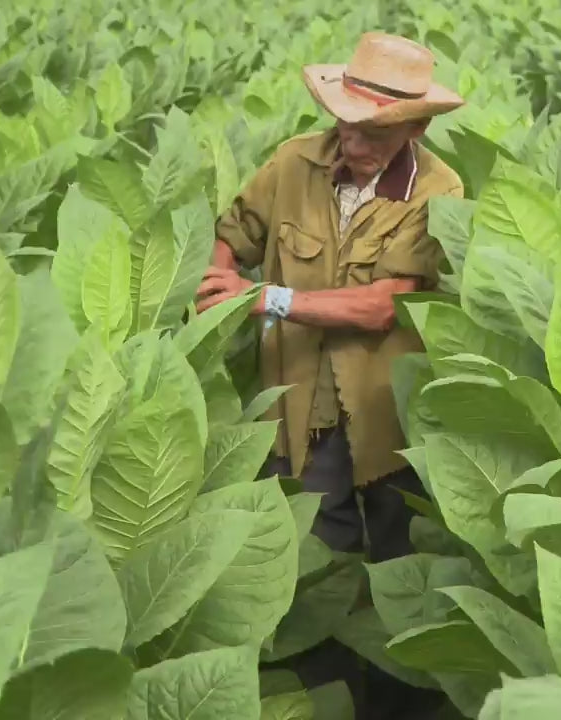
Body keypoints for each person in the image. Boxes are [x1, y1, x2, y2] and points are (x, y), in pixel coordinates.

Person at [194, 32, 465, 720]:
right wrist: (221, 276)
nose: (354, 142)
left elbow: (382, 306)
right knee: (313, 571)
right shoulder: (292, 163)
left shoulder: (439, 188)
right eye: (347, 123)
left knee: (402, 574)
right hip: (297, 412)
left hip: (385, 417)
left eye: (375, 132)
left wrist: (265, 299)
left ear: (416, 127)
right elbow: (237, 230)